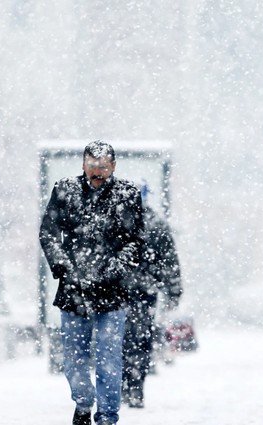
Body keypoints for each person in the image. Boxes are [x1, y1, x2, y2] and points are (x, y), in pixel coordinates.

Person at [39, 140, 144, 425]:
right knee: (74, 359)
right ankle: (83, 402)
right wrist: (62, 265)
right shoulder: (64, 190)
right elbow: (48, 233)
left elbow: (136, 241)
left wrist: (115, 268)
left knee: (109, 360)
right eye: (92, 166)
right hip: (73, 290)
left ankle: (108, 416)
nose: (97, 172)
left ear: (113, 166)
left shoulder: (127, 194)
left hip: (112, 291)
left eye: (103, 167)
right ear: (83, 164)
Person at [122, 182, 183, 409]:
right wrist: (173, 291)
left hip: (118, 293)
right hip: (144, 293)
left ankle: (122, 384)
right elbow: (169, 262)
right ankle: (135, 385)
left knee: (118, 339)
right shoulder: (156, 223)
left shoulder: (116, 221)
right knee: (140, 339)